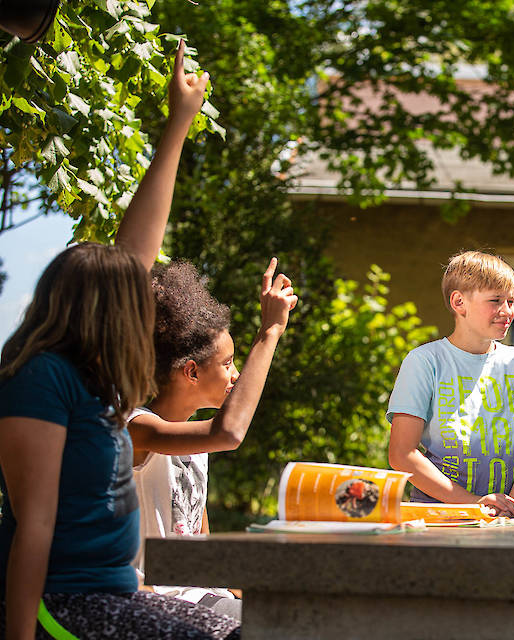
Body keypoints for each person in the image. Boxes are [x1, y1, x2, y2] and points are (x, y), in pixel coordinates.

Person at [0, 43, 241, 638]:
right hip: (63, 605)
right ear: (94, 312)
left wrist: (179, 123)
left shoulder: (94, 375)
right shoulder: (41, 379)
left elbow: (134, 254)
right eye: (127, 303)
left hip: (116, 593)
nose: (141, 311)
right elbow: (34, 524)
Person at [128, 258, 297, 619]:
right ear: (191, 371)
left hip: (202, 597)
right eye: (227, 364)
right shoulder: (139, 428)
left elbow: (198, 542)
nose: (235, 374)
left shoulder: (197, 442)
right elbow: (228, 432)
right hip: (158, 606)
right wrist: (269, 332)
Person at [387, 251, 514, 517]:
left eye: (510, 302)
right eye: (495, 300)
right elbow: (401, 453)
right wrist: (473, 503)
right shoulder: (423, 361)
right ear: (459, 302)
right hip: (434, 516)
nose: (507, 311)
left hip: (503, 517)